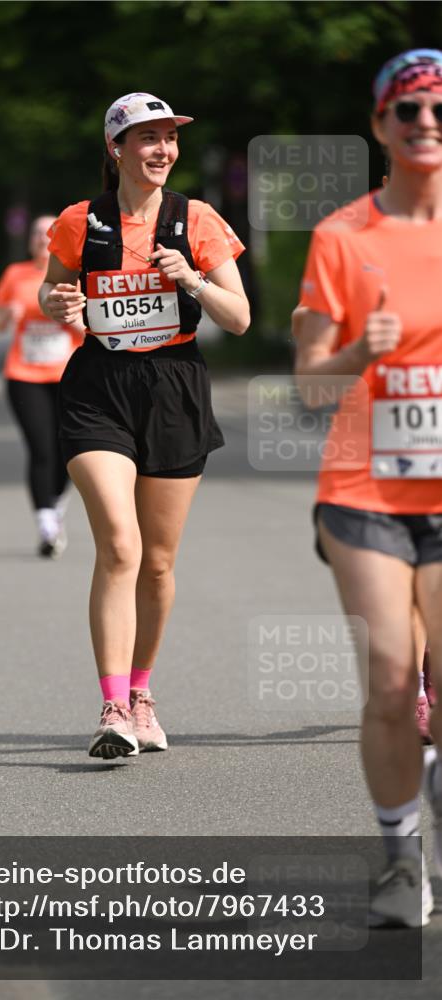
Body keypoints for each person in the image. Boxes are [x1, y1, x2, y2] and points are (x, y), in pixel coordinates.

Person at [39, 93, 249, 758]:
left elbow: (238, 317)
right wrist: (58, 300)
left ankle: (140, 692)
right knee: (121, 548)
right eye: (147, 138)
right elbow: (50, 291)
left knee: (156, 564)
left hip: (173, 387)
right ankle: (110, 707)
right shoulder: (81, 221)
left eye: (169, 138)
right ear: (116, 148)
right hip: (98, 388)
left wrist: (190, 279)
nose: (161, 149)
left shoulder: (198, 220)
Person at [293, 49, 442, 927]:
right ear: (380, 126)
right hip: (367, 490)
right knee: (391, 677)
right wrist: (359, 352)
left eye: (438, 107)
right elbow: (311, 382)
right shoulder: (342, 237)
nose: (425, 121)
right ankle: (398, 860)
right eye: (407, 110)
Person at [0, 216, 84, 556]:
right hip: (24, 375)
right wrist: (10, 315)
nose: (39, 239)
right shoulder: (15, 275)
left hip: (69, 375)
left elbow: (89, 327)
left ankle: (56, 503)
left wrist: (72, 320)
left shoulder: (75, 274)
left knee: (68, 449)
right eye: (34, 233)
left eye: (47, 234)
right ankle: (46, 522)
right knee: (41, 447)